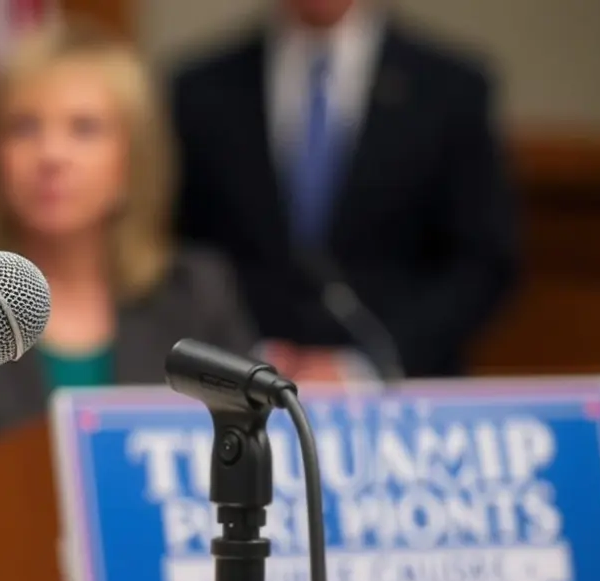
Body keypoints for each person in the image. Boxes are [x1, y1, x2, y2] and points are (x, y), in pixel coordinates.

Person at [0, 18, 257, 485]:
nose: (51, 155)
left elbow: (249, 457)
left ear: (132, 163)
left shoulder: (196, 292)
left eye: (84, 129)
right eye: (24, 128)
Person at [170, 0, 519, 380]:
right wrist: (248, 354)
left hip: (402, 392)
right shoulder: (200, 89)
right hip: (242, 390)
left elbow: (482, 262)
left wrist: (367, 366)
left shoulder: (451, 87)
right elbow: (182, 254)